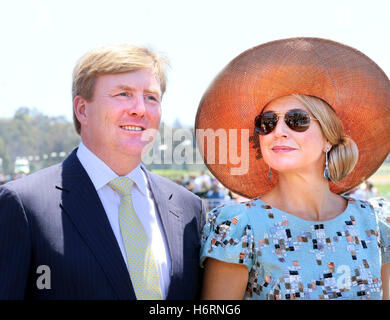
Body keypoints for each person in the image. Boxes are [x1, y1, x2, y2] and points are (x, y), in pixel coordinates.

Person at [0, 45, 205, 300]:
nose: (140, 109)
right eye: (123, 94)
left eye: (151, 97)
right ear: (82, 110)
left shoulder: (188, 209)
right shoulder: (24, 206)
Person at [195, 37, 390, 300]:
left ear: (329, 139)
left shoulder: (377, 223)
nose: (279, 132)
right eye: (267, 123)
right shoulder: (238, 227)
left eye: (297, 120)